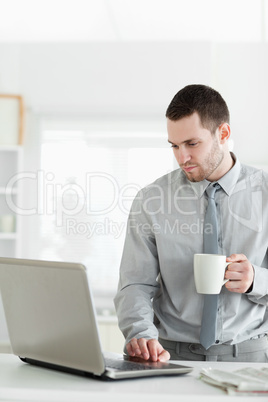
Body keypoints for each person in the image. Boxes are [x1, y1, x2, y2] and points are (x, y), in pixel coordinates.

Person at [114, 84, 268, 362]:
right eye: (174, 145)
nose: (182, 157)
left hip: (251, 357)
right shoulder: (152, 200)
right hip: (170, 357)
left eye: (192, 144)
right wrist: (141, 334)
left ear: (223, 134)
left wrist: (257, 279)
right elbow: (135, 283)